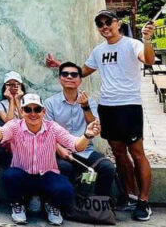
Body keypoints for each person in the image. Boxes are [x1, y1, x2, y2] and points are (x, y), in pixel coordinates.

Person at [50, 10, 155, 221]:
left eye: (108, 22)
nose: (105, 26)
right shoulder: (99, 51)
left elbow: (149, 60)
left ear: (118, 23)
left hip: (129, 105)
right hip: (107, 107)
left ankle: (143, 201)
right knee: (118, 153)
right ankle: (130, 195)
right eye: (100, 24)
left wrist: (147, 39)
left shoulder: (132, 44)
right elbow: (81, 71)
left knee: (137, 153)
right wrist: (59, 65)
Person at [0, 93, 101, 226]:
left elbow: (76, 145)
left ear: (44, 111)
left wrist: (87, 135)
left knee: (66, 190)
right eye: (28, 109)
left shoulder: (52, 127)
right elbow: (0, 134)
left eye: (37, 109)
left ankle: (51, 204)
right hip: (23, 174)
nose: (33, 114)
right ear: (22, 112)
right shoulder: (15, 125)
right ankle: (18, 204)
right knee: (10, 176)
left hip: (46, 175)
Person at [44, 61, 117, 200]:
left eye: (74, 75)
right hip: (61, 151)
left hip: (85, 150)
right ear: (60, 79)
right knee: (65, 168)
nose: (69, 77)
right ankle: (68, 204)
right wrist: (59, 149)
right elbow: (46, 132)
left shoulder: (89, 102)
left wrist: (85, 107)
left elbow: (94, 126)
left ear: (80, 80)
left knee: (107, 168)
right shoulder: (50, 103)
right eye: (65, 74)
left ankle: (99, 204)